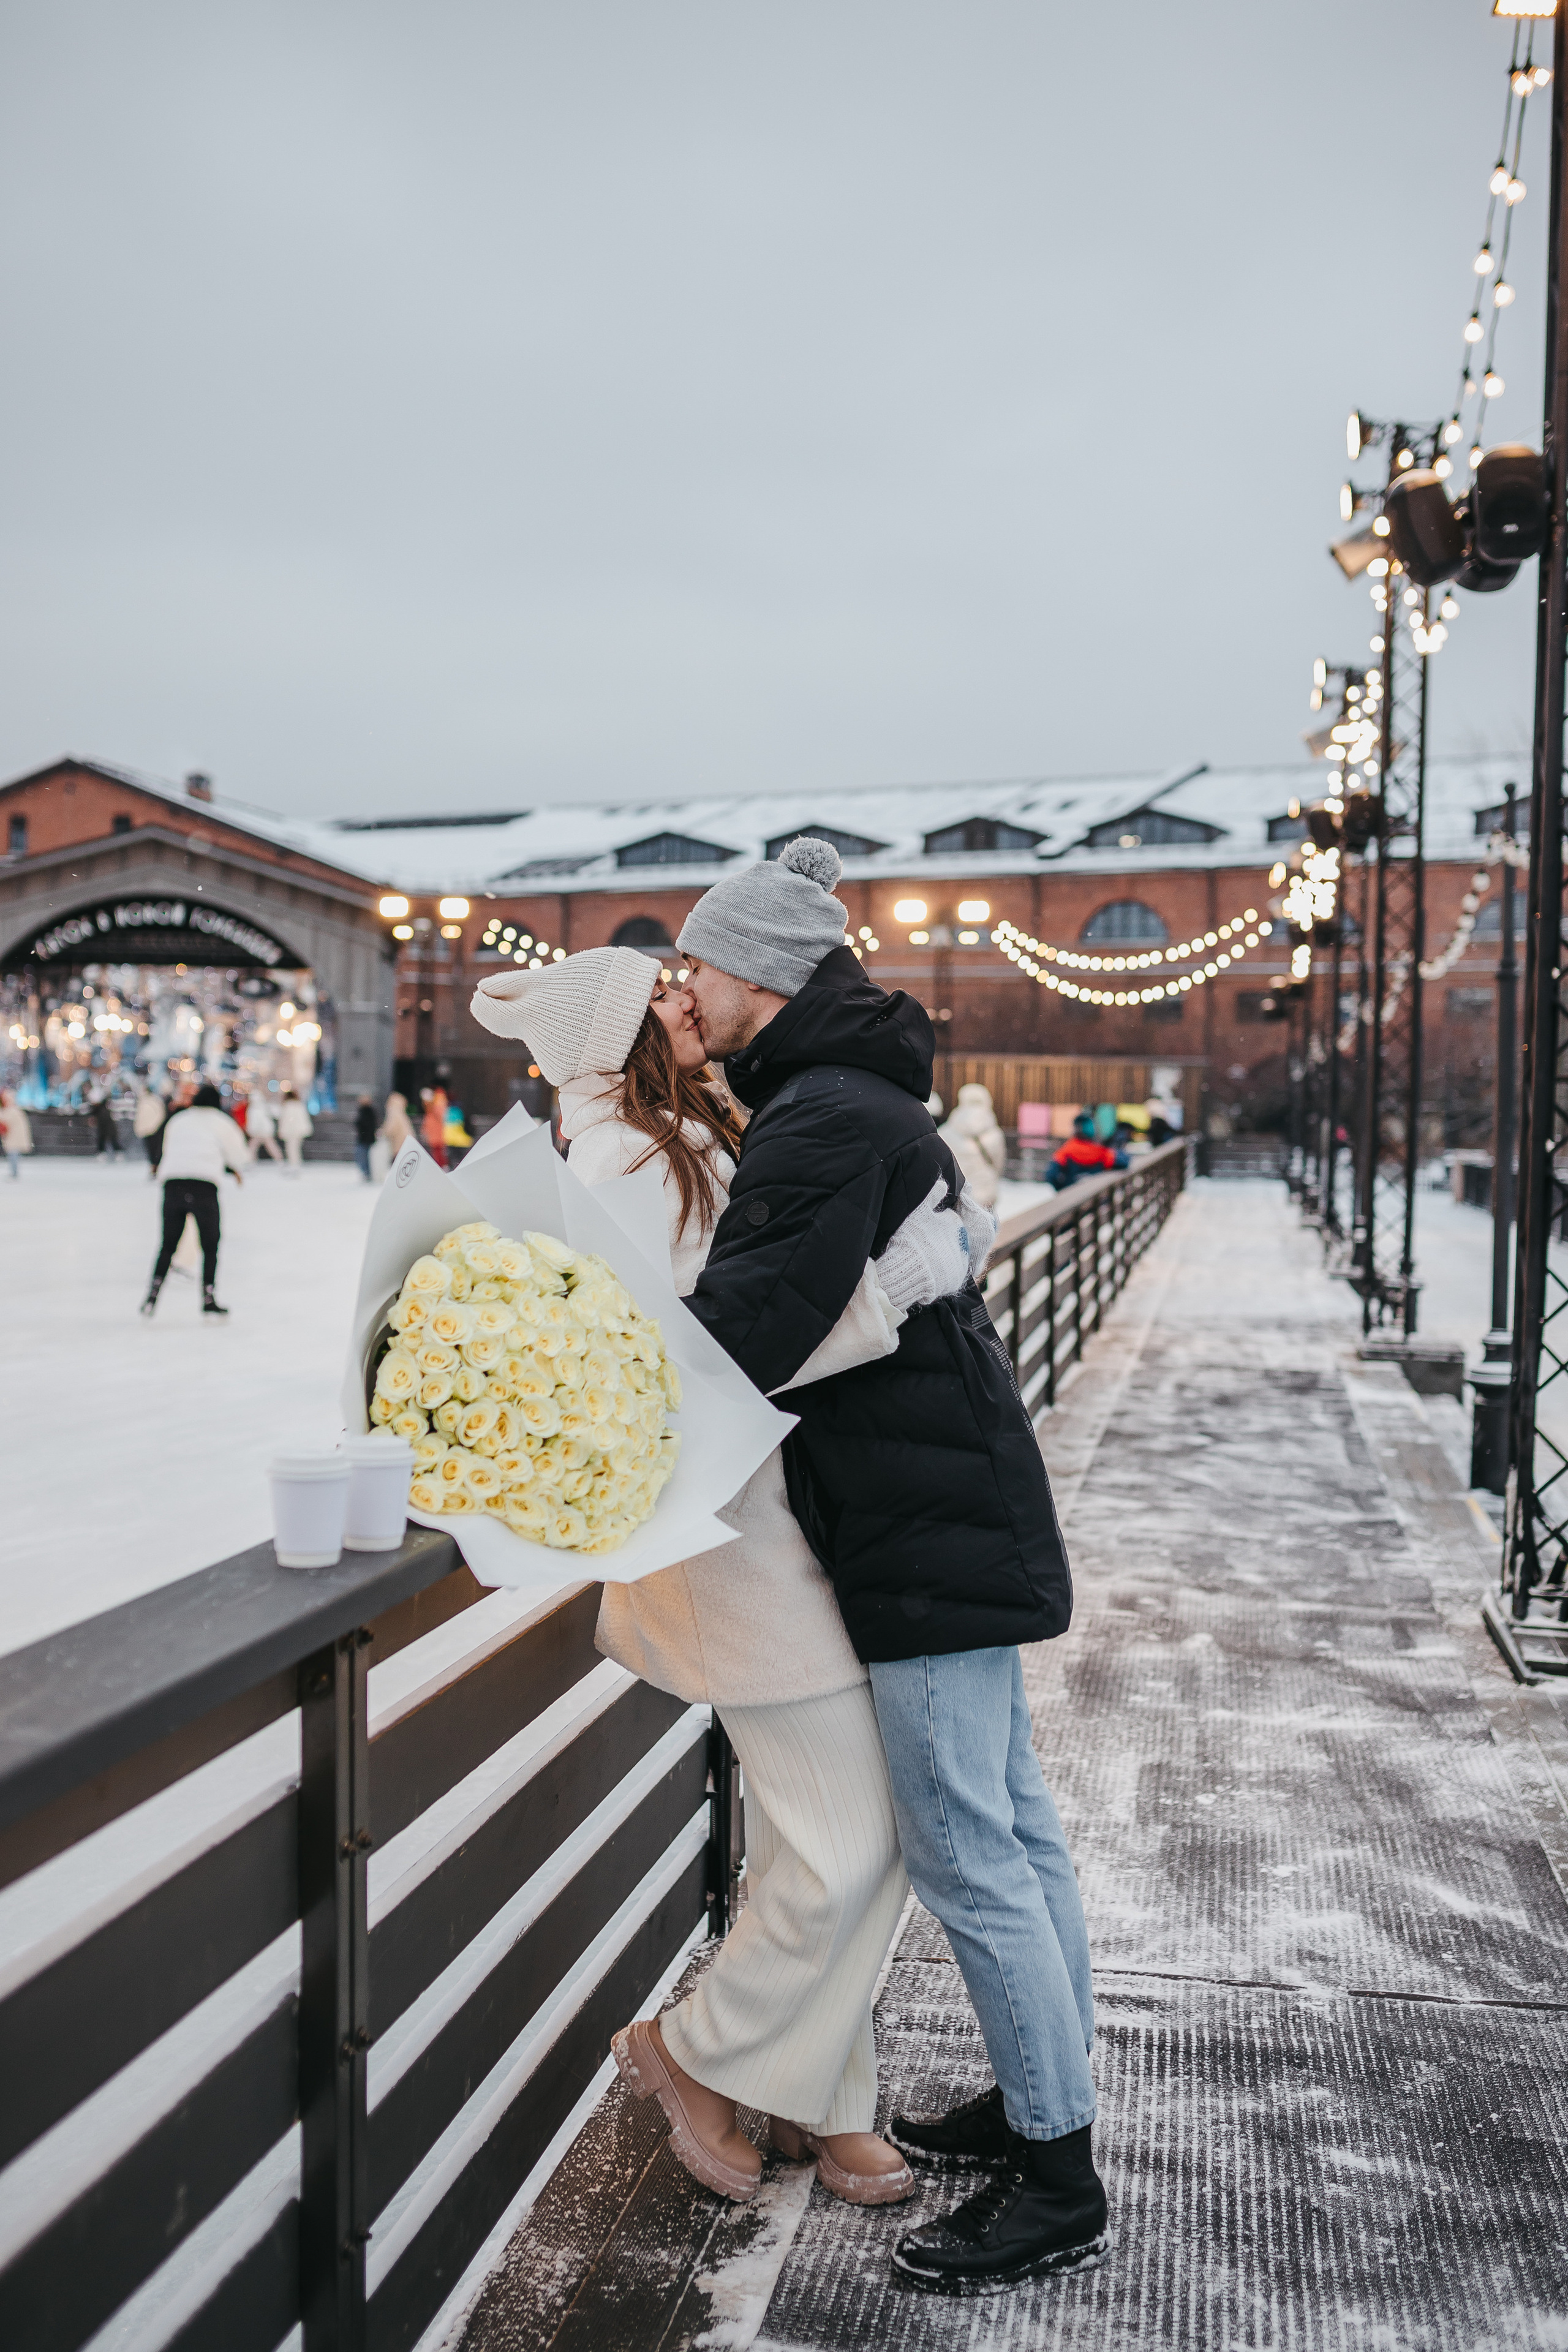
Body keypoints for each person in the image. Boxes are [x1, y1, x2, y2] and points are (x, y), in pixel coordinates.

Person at [470, 946, 978, 2210]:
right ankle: (689, 2051)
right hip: (721, 1544)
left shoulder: (691, 1125)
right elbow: (694, 1372)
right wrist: (890, 1291)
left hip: (773, 1526)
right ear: (612, 1036)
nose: (685, 998)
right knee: (853, 1839)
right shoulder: (623, 1161)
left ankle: (819, 2092)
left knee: (818, 1839)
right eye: (658, 994)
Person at [671, 836, 1108, 2296]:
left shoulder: (816, 1123)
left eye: (702, 966)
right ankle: (1042, 2104)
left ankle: (1056, 2177)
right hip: (954, 1510)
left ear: (759, 976)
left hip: (920, 1534)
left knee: (966, 1849)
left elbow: (735, 1336)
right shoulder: (848, 1104)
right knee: (1016, 1831)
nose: (690, 987)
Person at [141, 1082, 248, 1317]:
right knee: (210, 1245)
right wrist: (233, 1168)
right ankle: (208, 1297)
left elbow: (166, 1148)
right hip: (204, 1187)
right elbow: (240, 1154)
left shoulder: (179, 1120)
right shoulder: (221, 1122)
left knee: (168, 1245)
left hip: (173, 1184)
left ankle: (152, 1295)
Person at [938, 1081, 1007, 1210]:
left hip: (957, 1195)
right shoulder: (995, 1134)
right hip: (986, 1194)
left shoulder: (945, 1132)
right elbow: (998, 1166)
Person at [1046, 1110, 1128, 1193]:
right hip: (1094, 1196)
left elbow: (1051, 1175)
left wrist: (1062, 1189)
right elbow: (1123, 1162)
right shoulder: (1101, 1152)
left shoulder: (1065, 1151)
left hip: (1072, 1194)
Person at [276, 1087, 312, 1175]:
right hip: (299, 1131)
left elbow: (285, 1121)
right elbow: (304, 1119)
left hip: (291, 1132)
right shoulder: (299, 1106)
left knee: (291, 1149)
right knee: (296, 1149)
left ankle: (294, 1166)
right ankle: (296, 1165)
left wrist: (282, 1131)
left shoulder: (288, 1107)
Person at [132, 1085, 167, 1177]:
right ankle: (154, 1167)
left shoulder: (152, 1101)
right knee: (153, 1150)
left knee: (155, 1150)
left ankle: (156, 1167)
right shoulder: (147, 1101)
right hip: (151, 1129)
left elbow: (160, 1114)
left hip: (154, 1129)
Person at [0, 1088, 32, 1180]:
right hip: (13, 1136)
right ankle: (14, 1172)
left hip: (14, 1136)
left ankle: (14, 1173)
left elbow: (5, 1120)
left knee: (13, 1154)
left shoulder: (12, 1110)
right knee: (13, 1154)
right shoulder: (14, 1110)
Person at [247, 1090, 283, 1164]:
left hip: (260, 1131)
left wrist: (251, 1130)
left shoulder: (254, 1108)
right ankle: (279, 1160)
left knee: (253, 1147)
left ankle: (250, 1161)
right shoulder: (264, 1106)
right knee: (269, 1146)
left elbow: (253, 1121)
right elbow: (276, 1113)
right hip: (264, 1130)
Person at [420, 1085, 449, 1169]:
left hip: (437, 1136)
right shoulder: (430, 1111)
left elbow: (440, 1116)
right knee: (436, 1153)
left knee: (438, 1153)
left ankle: (442, 1168)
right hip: (434, 1136)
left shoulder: (436, 1106)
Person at [380, 1090, 413, 1158]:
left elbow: (391, 1127)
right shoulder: (402, 1112)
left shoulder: (394, 1112)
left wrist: (383, 1132)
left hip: (399, 1144)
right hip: (407, 1143)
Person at [353, 1093, 378, 1182]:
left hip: (366, 1138)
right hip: (365, 1138)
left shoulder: (368, 1111)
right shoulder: (364, 1111)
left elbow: (366, 1124)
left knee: (364, 1156)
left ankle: (367, 1173)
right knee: (363, 1156)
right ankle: (366, 1173)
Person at [91, 1091, 122, 1160]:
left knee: (113, 1139)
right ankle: (102, 1152)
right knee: (102, 1139)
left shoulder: (105, 1106)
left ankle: (118, 1151)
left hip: (109, 1126)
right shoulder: (97, 1109)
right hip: (102, 1127)